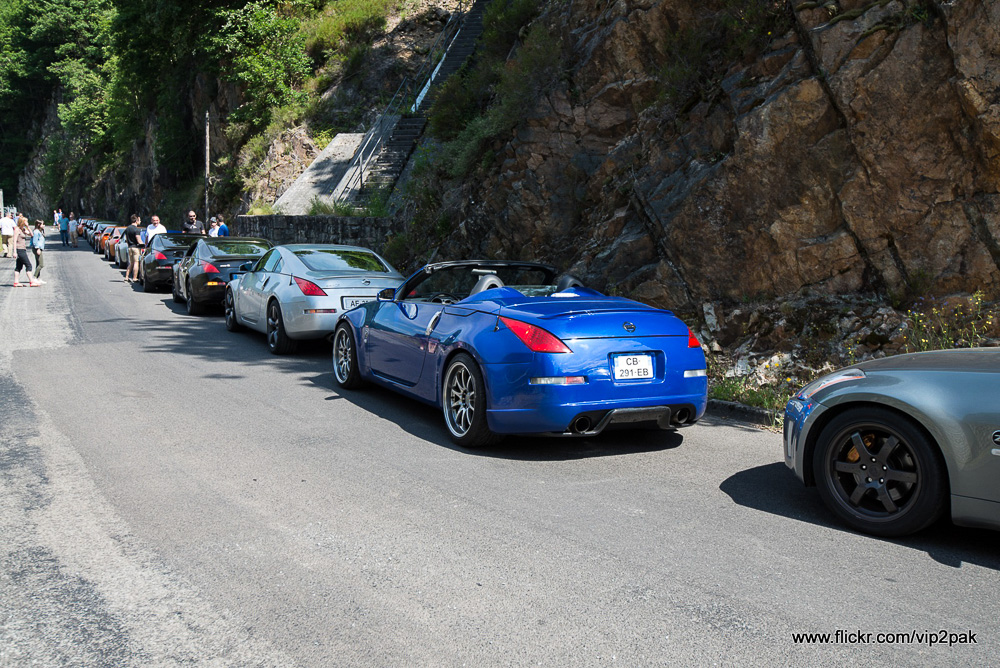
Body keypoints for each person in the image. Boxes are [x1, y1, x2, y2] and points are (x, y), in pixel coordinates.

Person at [12, 216, 39, 287]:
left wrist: (27, 227)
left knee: (19, 266)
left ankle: (16, 282)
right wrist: (14, 252)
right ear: (22, 222)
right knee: (28, 265)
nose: (27, 223)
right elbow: (14, 241)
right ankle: (31, 281)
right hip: (19, 249)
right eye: (26, 222)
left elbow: (32, 234)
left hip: (23, 249)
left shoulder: (23, 229)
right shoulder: (17, 229)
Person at [124, 214, 144, 282]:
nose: (140, 221)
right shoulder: (136, 229)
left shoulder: (127, 228)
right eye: (139, 220)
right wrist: (143, 245)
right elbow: (138, 239)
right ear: (136, 221)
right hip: (135, 248)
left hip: (129, 247)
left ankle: (126, 277)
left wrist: (129, 245)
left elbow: (126, 239)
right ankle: (134, 277)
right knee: (136, 262)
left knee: (131, 263)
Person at [31, 220, 46, 284]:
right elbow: (35, 241)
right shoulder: (36, 232)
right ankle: (34, 277)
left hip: (39, 248)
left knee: (38, 263)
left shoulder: (39, 231)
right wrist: (38, 248)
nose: (44, 225)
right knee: (41, 264)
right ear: (38, 225)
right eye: (42, 224)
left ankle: (38, 278)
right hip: (37, 249)